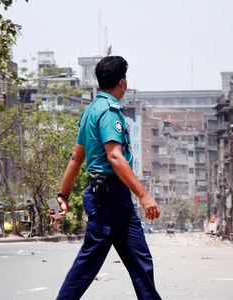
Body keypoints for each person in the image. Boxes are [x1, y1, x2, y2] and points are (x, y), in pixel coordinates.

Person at [51, 56, 162, 300]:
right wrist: (144, 196)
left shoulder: (90, 111)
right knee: (87, 265)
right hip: (108, 199)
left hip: (117, 200)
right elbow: (114, 156)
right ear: (122, 81)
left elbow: (75, 158)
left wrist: (62, 196)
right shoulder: (109, 112)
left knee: (141, 262)